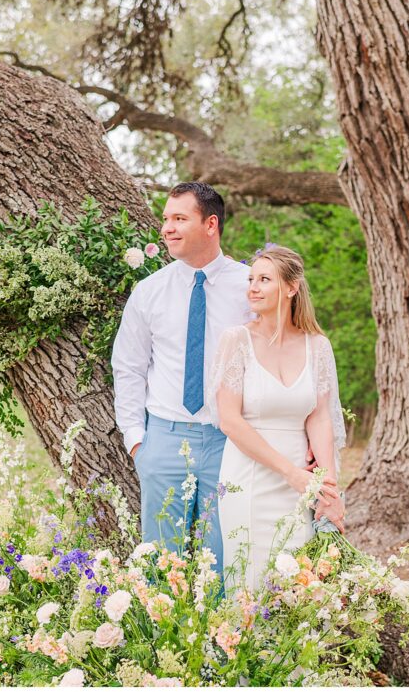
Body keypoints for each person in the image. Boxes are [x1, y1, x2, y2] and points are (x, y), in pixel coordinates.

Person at [112, 182, 252, 572]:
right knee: (161, 565)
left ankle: (221, 633)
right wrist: (137, 441)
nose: (167, 228)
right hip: (163, 440)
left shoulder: (250, 289)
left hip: (230, 443)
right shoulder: (149, 291)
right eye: (166, 219)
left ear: (211, 224)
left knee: (225, 561)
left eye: (179, 219)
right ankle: (162, 633)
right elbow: (128, 367)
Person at [209, 245, 346, 593]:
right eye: (251, 279)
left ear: (291, 287)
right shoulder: (236, 340)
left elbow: (320, 419)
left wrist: (328, 490)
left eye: (264, 279)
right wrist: (291, 473)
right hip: (249, 476)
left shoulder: (317, 346)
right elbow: (230, 420)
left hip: (303, 483)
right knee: (251, 581)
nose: (252, 287)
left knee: (302, 580)